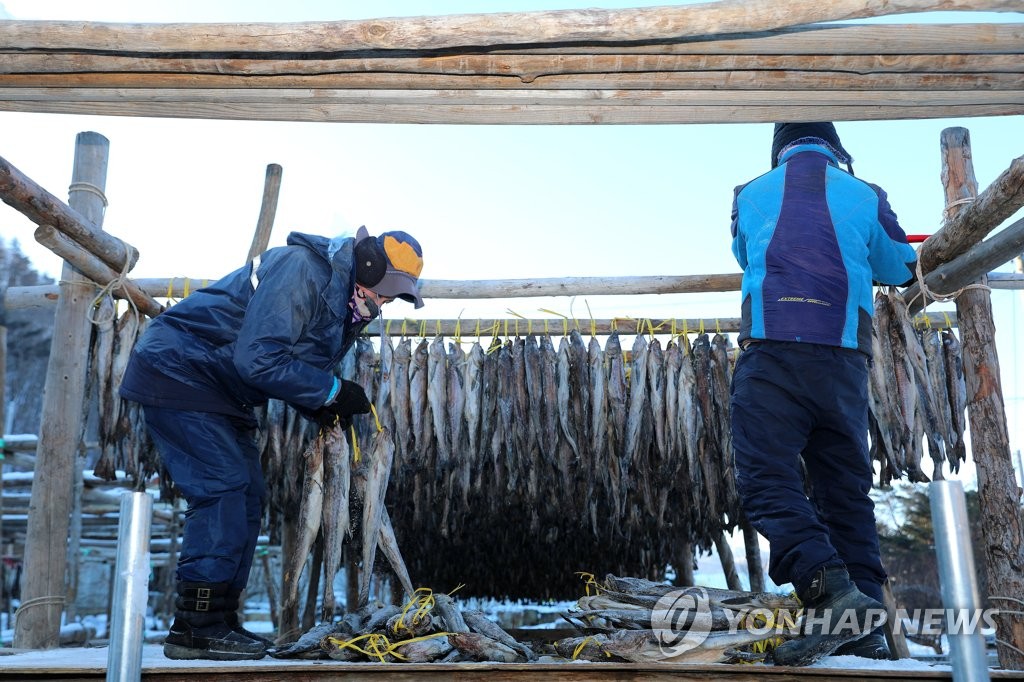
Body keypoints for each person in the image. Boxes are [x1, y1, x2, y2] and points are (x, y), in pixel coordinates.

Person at [119, 226, 424, 661]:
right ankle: (194, 625)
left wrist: (320, 404)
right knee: (222, 487)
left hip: (221, 390)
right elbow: (258, 358)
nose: (384, 302)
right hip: (181, 370)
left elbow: (292, 368)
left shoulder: (343, 305)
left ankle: (219, 618)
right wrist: (332, 391)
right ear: (368, 265)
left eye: (394, 296)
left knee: (248, 495)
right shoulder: (304, 271)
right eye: (384, 291)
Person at [729, 122, 917, 666]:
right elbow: (900, 267)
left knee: (767, 478)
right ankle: (865, 635)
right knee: (845, 494)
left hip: (772, 354)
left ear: (779, 149)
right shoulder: (867, 194)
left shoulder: (749, 193)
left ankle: (829, 592)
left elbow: (745, 255)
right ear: (836, 150)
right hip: (841, 362)